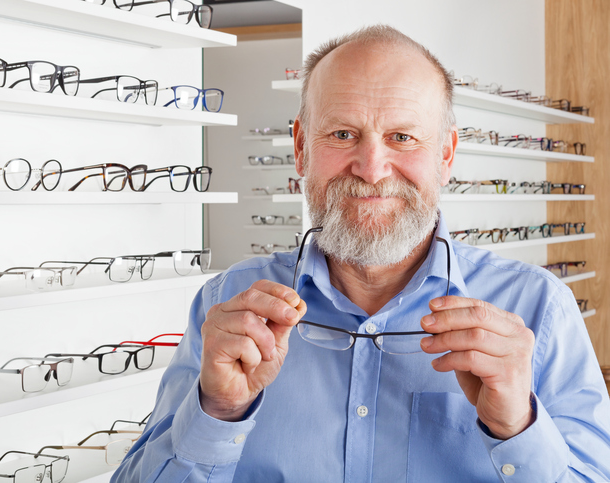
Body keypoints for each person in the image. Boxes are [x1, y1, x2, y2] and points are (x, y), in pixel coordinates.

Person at [111, 25, 610, 482]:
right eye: (343, 134)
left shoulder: (539, 308)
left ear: (446, 155)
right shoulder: (228, 303)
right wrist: (215, 414)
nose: (371, 169)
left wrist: (517, 428)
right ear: (302, 147)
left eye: (402, 137)